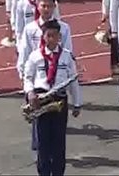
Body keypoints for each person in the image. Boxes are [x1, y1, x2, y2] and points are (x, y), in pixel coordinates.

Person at [23, 20, 82, 176]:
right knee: (42, 142)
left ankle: (57, 173)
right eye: (48, 35)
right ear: (43, 37)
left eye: (54, 36)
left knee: (58, 142)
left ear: (59, 37)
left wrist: (77, 103)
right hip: (41, 99)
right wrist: (30, 93)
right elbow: (28, 77)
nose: (51, 39)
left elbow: (73, 81)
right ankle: (43, 172)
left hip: (59, 99)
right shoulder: (35, 56)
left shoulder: (67, 56)